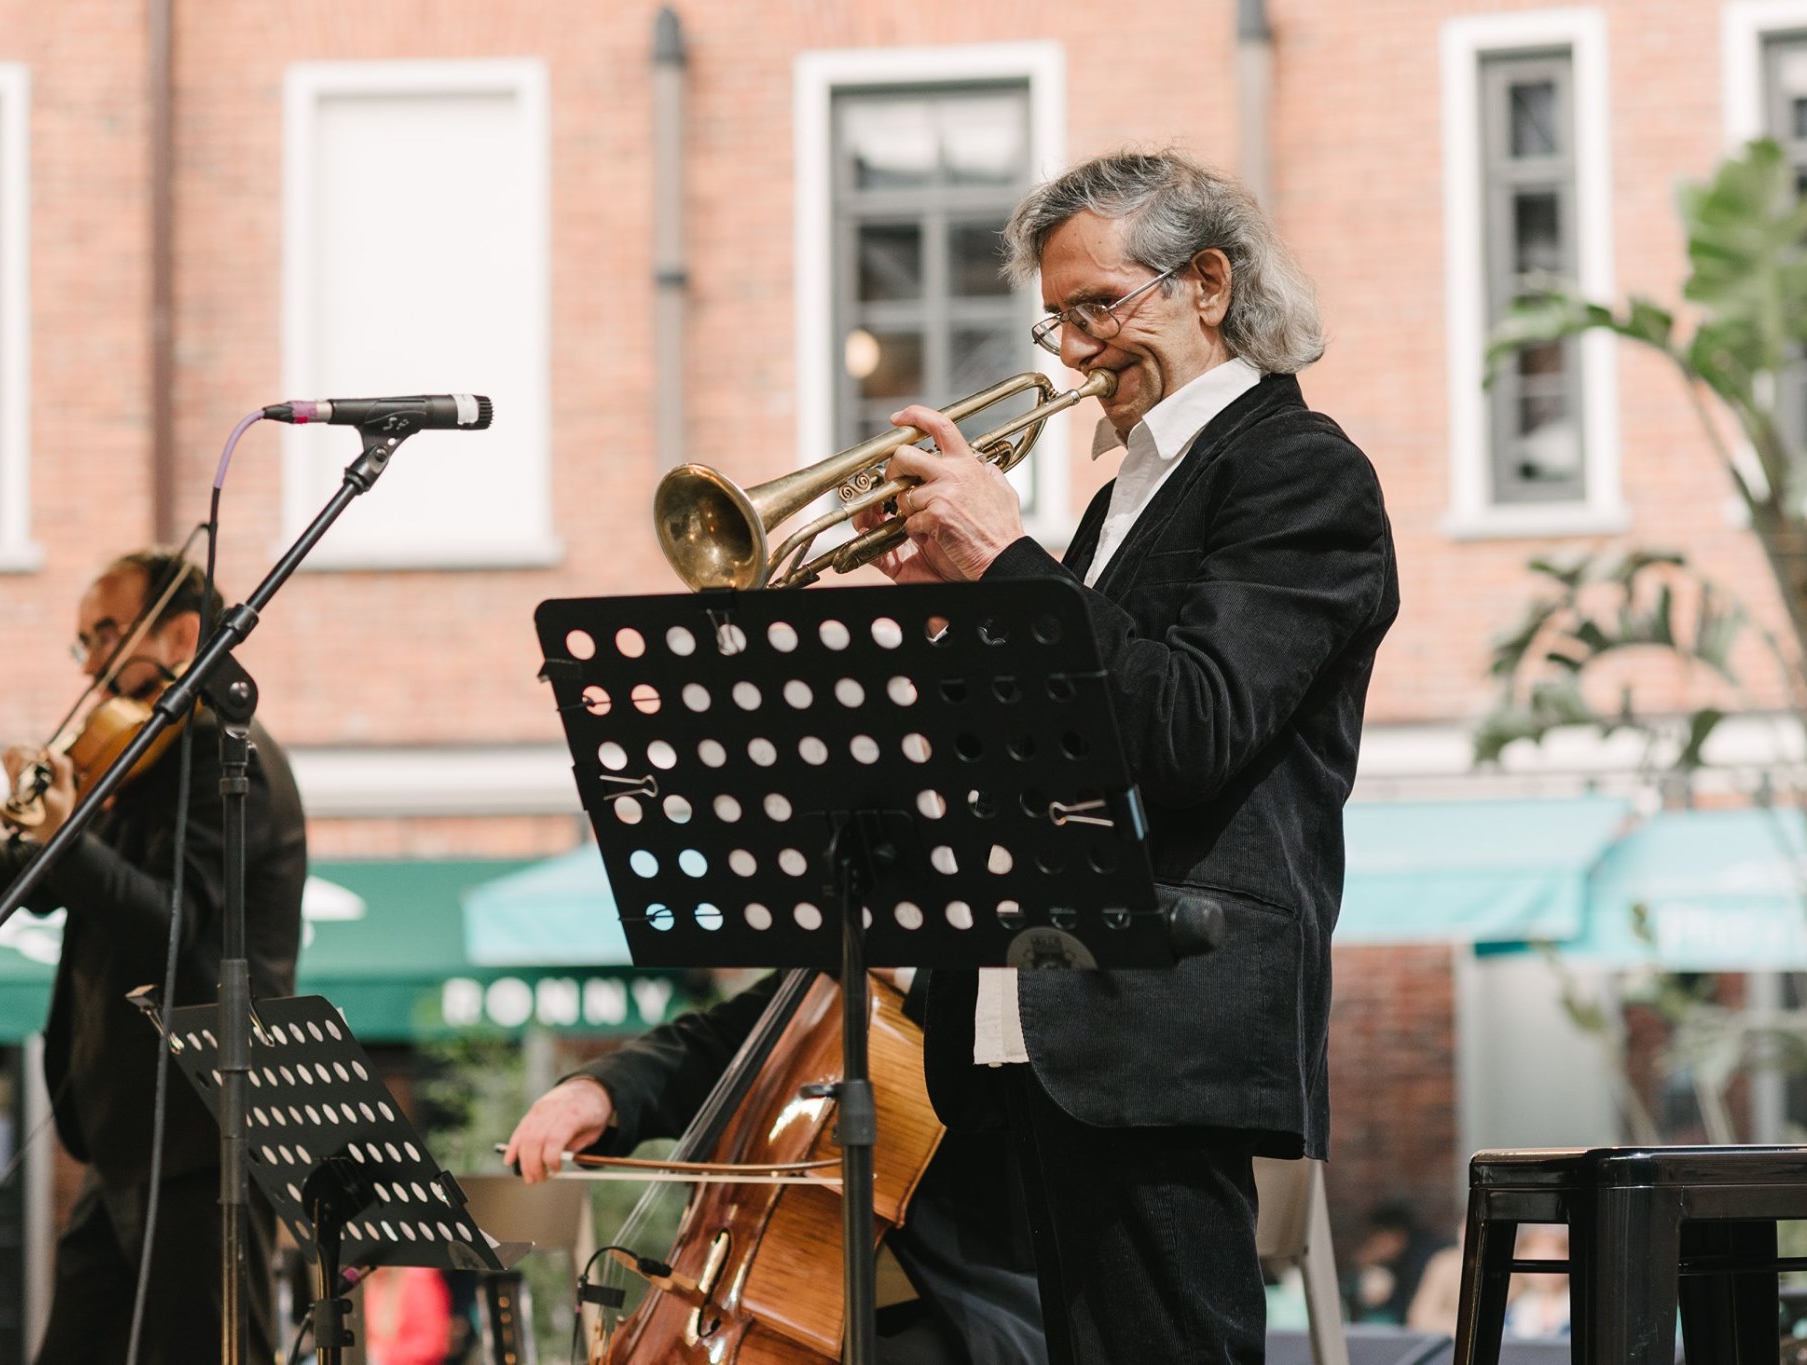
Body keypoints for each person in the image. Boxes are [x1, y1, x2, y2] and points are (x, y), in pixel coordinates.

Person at [859, 149, 1400, 1364]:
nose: (1074, 348)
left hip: (1166, 1019)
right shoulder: (1119, 504)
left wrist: (1010, 569)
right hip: (1043, 1019)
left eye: (1098, 306)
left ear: (1205, 284)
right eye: (1057, 320)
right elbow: (1064, 746)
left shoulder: (1298, 472)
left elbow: (1193, 730)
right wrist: (966, 623)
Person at [0, 548, 307, 1365]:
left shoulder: (221, 755)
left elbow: (164, 921)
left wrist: (62, 831)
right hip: (126, 1142)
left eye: (107, 632)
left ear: (180, 635)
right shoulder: (142, 755)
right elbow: (64, 880)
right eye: (83, 642)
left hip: (201, 1142)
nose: (92, 664)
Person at [504, 969, 1048, 1365]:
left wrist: (917, 976)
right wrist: (598, 1092)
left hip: (973, 1307)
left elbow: (1051, 1028)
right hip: (799, 1306)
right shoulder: (844, 961)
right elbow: (719, 1043)